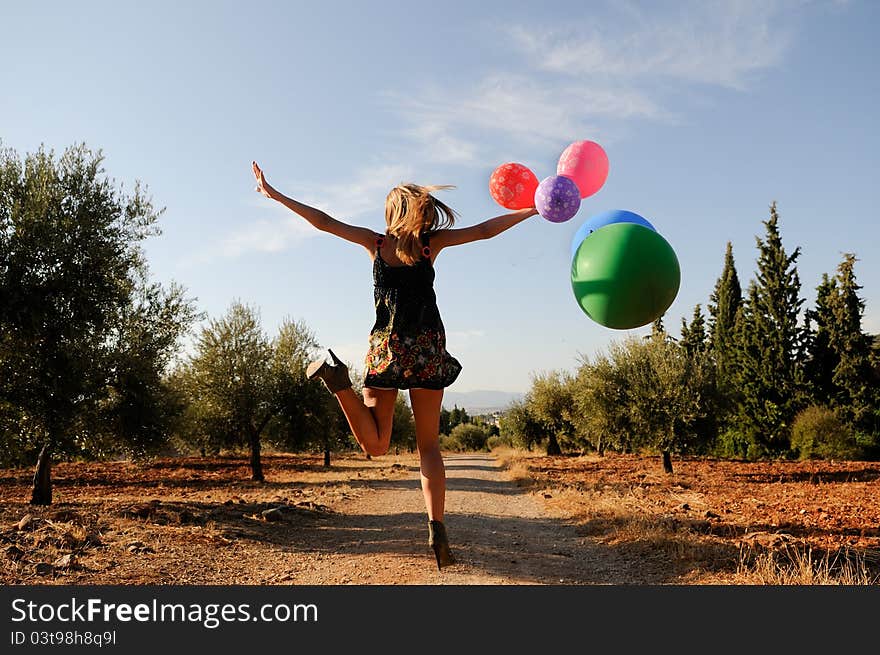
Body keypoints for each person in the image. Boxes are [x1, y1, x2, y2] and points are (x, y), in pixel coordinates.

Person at [252, 161, 538, 570]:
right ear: (418, 211)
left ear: (391, 214)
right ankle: (437, 527)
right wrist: (531, 211)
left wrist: (275, 195)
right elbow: (484, 231)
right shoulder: (429, 246)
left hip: (386, 349)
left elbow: (323, 221)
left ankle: (338, 384)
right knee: (429, 447)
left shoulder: (375, 244)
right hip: (426, 349)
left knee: (377, 445)